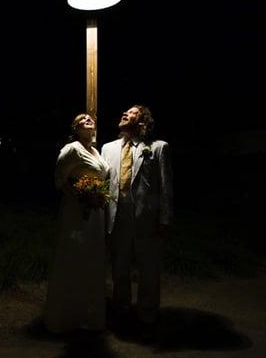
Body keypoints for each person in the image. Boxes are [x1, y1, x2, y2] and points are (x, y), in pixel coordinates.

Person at [101, 105, 173, 341]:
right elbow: (104, 183)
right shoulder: (108, 148)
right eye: (124, 111)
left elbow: (165, 188)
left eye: (131, 112)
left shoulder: (157, 147)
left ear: (142, 121)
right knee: (119, 267)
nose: (124, 113)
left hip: (147, 218)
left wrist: (164, 220)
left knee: (148, 269)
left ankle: (147, 315)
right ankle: (121, 309)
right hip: (117, 215)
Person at [44, 113, 110, 334]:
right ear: (76, 127)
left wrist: (97, 196)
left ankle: (88, 314)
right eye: (82, 119)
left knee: (91, 258)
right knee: (74, 255)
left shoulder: (96, 151)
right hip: (76, 210)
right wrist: (82, 196)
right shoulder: (71, 149)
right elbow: (59, 180)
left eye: (90, 119)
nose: (87, 120)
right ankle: (66, 316)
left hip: (96, 213)